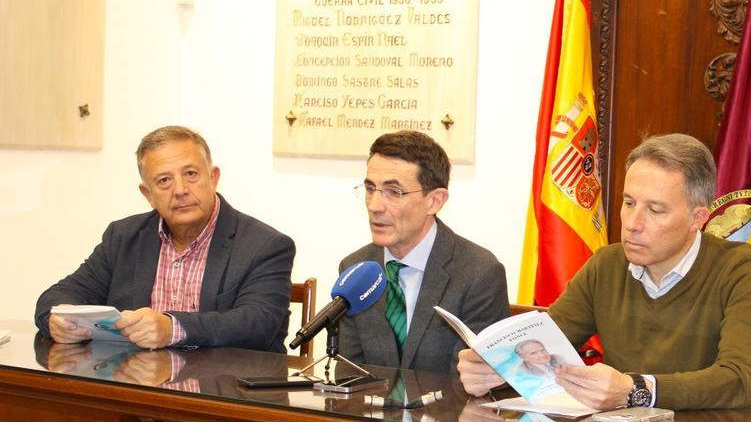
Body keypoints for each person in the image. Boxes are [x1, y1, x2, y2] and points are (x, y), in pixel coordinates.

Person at [458, 133, 751, 411]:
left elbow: (740, 381)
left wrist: (636, 390)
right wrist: (496, 368)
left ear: (698, 219)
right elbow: (547, 344)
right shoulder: (607, 265)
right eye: (628, 203)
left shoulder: (743, 270)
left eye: (655, 210)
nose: (633, 224)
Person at [34, 126, 295, 352]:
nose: (180, 190)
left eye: (191, 174)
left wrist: (172, 328)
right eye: (164, 180)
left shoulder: (265, 245)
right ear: (148, 193)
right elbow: (57, 295)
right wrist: (55, 319)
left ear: (213, 177)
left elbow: (258, 324)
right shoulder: (124, 237)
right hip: (137, 391)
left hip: (223, 396)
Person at [337, 131, 508, 372]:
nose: (374, 206)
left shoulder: (479, 273)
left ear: (435, 201)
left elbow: (471, 384)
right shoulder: (356, 270)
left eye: (393, 192)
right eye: (370, 188)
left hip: (446, 409)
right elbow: (350, 373)